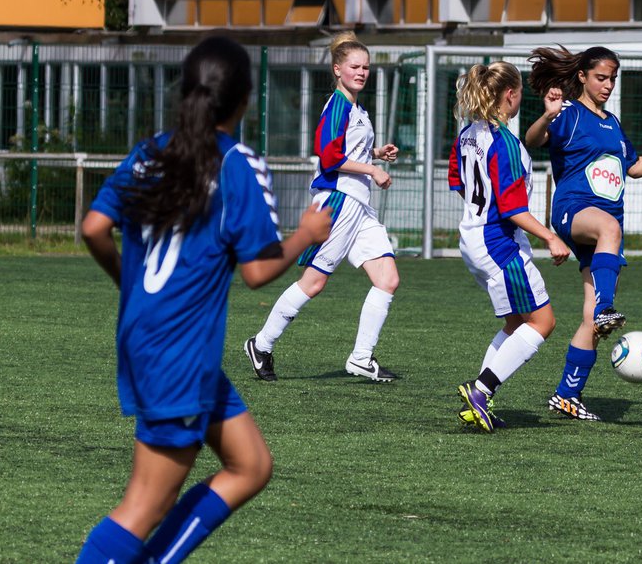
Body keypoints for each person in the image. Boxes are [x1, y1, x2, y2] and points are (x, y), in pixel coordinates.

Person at [75, 36, 334, 564]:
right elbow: (260, 270)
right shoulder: (237, 163)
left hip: (148, 337)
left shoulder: (149, 152)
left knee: (251, 465)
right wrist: (308, 232)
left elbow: (93, 227)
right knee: (145, 504)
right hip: (181, 350)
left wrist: (130, 283)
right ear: (244, 100)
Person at [525, 45, 642, 421]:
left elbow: (633, 168)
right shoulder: (568, 113)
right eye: (601, 77)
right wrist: (547, 115)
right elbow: (533, 140)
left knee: (592, 323)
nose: (608, 85)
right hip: (574, 211)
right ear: (582, 76)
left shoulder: (612, 123)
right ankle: (605, 307)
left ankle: (567, 394)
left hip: (604, 235)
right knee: (609, 230)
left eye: (613, 78)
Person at [245, 31, 402, 382]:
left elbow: (348, 150)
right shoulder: (338, 106)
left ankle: (361, 358)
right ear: (337, 70)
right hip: (338, 201)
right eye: (354, 67)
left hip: (359, 204)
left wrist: (376, 153)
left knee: (387, 279)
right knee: (313, 283)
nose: (361, 72)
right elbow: (329, 158)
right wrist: (373, 169)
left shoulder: (357, 109)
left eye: (365, 67)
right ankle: (262, 344)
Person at [447, 62, 571, 433]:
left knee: (517, 322)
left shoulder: (467, 134)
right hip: (498, 243)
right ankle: (481, 390)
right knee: (543, 322)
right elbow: (513, 208)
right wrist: (550, 237)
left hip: (471, 237)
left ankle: (480, 400)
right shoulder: (505, 144)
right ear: (510, 95)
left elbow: (458, 181)